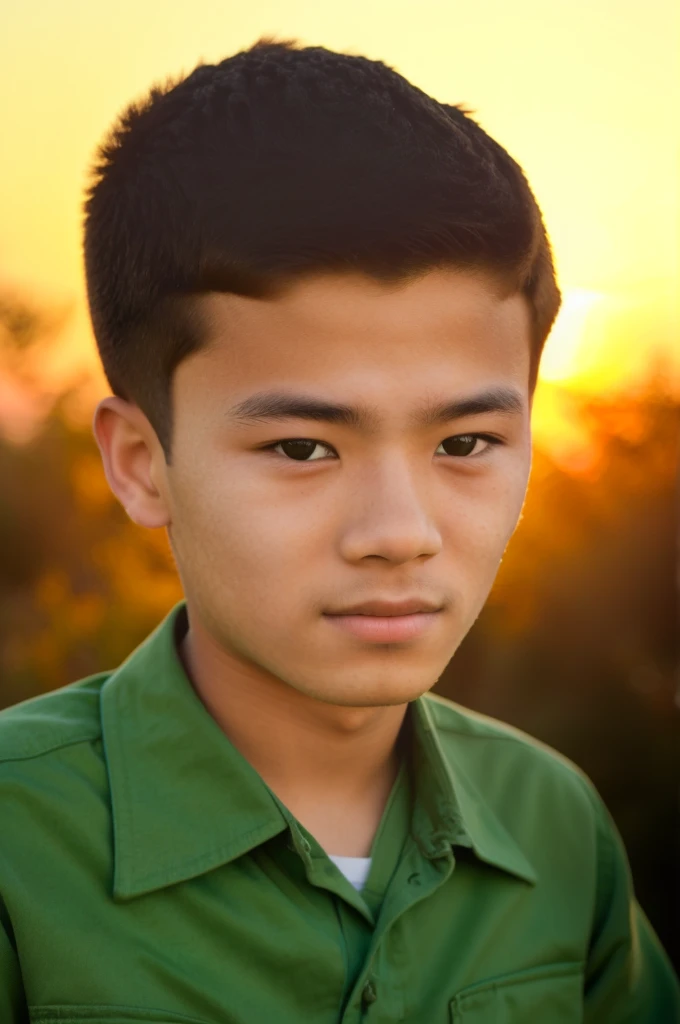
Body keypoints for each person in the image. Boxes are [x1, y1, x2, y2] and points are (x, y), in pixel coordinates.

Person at [1, 36, 678, 1024]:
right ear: (141, 462)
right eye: (303, 449)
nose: (399, 533)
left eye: (465, 441)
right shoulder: (18, 844)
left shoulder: (554, 825)